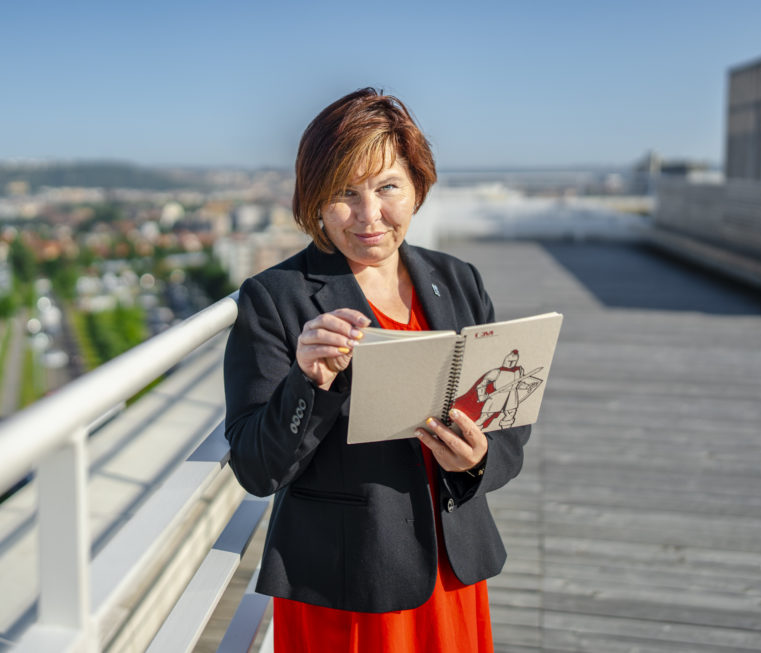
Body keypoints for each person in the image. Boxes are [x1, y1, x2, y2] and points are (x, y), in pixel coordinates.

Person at [223, 88, 531, 652]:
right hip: (347, 582)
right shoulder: (276, 298)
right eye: (345, 193)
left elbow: (509, 422)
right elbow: (253, 467)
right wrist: (307, 383)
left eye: (388, 187)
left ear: (418, 188)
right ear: (314, 199)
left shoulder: (459, 280)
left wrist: (478, 459)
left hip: (451, 572)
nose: (369, 216)